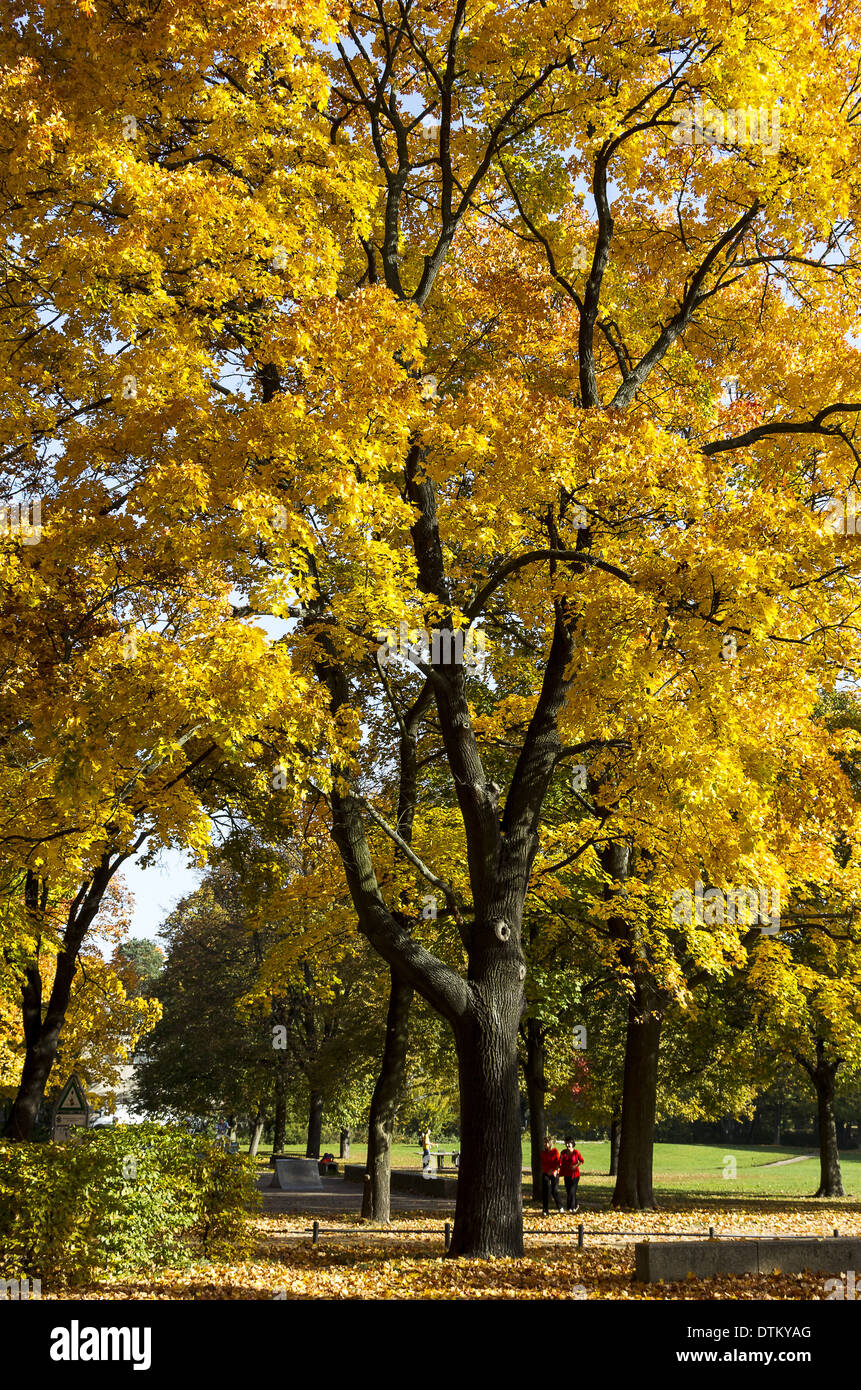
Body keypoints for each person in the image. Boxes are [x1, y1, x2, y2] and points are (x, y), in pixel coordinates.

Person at [560, 1136, 585, 1212]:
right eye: (566, 1143)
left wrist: (576, 1165)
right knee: (568, 1192)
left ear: (572, 1143)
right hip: (566, 1175)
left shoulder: (576, 1152)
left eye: (569, 1143)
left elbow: (582, 1161)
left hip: (575, 1175)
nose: (567, 1145)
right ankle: (574, 1206)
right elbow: (560, 1162)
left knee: (572, 1191)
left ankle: (572, 1208)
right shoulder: (563, 1152)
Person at [540, 1133, 562, 1215]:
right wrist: (547, 1171)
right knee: (545, 1191)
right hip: (546, 1173)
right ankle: (545, 1210)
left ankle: (560, 1207)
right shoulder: (543, 1153)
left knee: (554, 1191)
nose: (545, 1144)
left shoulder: (555, 1151)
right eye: (544, 1142)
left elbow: (558, 1162)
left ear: (550, 1143)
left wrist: (554, 1170)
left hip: (554, 1173)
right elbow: (543, 1164)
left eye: (546, 1142)